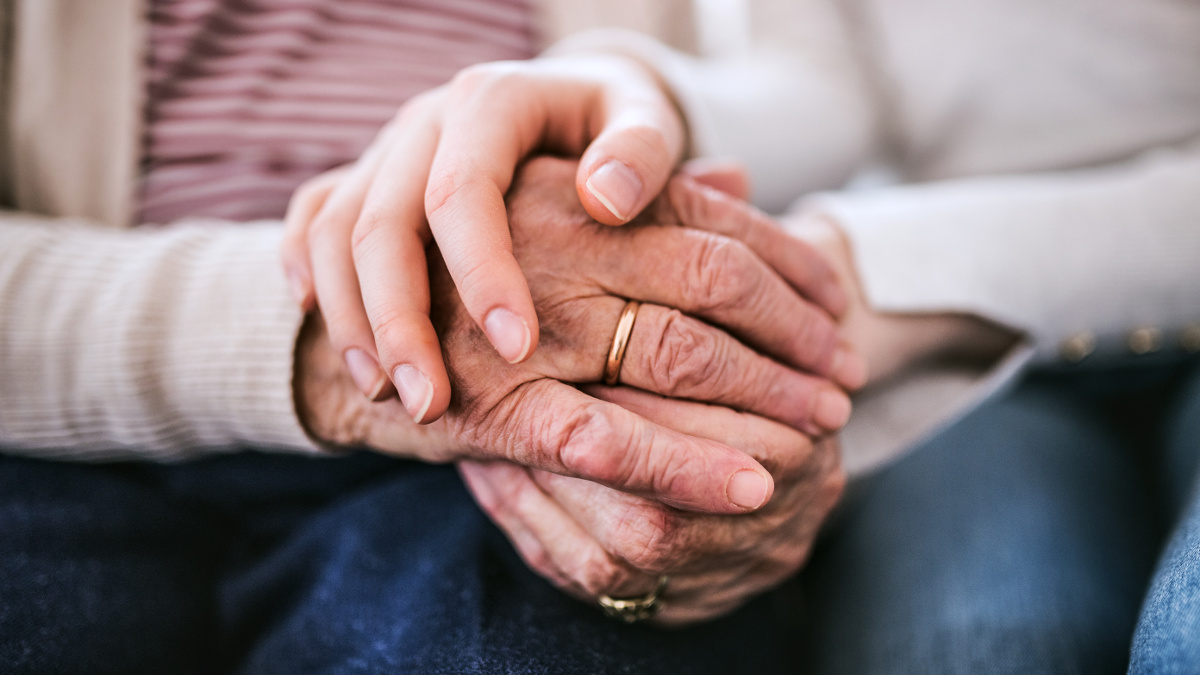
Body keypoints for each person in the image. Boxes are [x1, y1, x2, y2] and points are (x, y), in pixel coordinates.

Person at [281, 0, 1200, 671]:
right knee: (979, 645)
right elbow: (820, 83)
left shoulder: (868, 287)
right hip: (976, 368)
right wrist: (633, 100)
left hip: (936, 301)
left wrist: (861, 271)